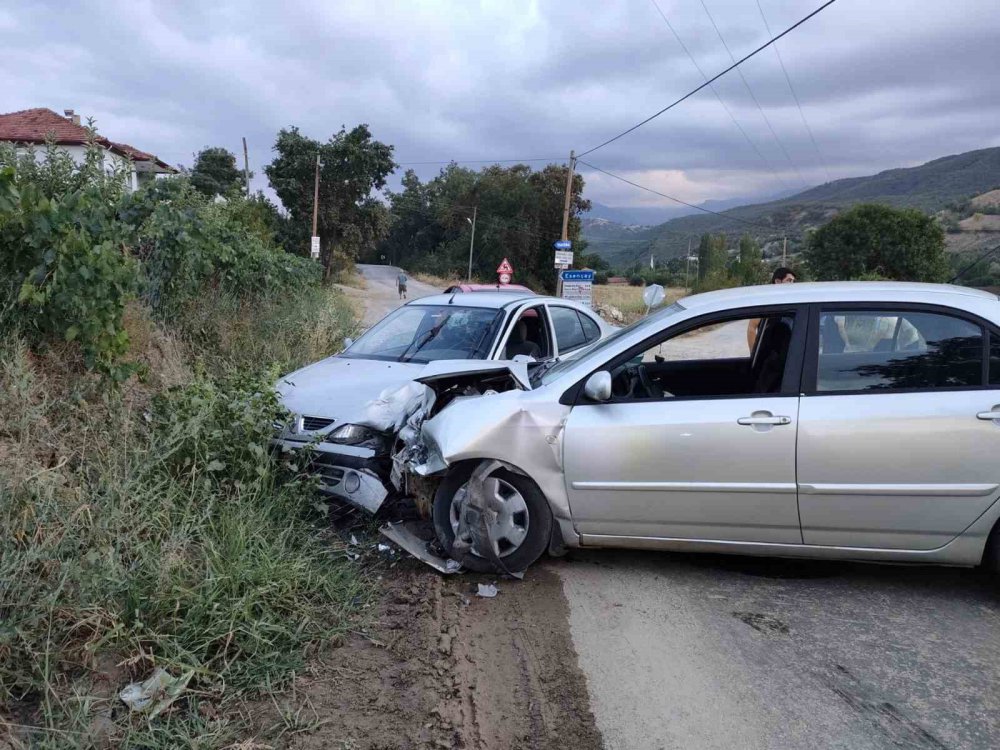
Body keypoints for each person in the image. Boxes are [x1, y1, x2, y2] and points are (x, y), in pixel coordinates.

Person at [747, 267, 796, 350]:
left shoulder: (793, 302)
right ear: (777, 281)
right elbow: (751, 328)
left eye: (793, 281)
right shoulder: (766, 302)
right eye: (789, 280)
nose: (792, 284)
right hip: (770, 355)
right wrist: (754, 355)